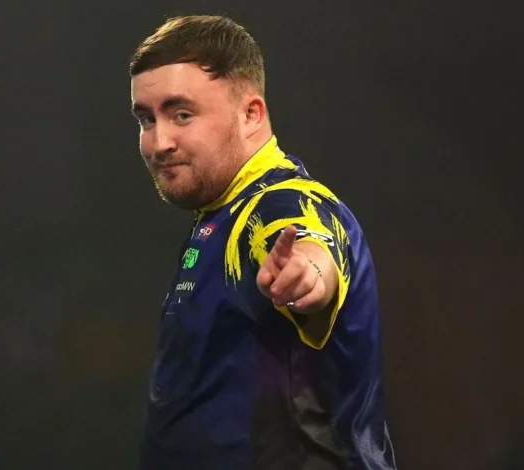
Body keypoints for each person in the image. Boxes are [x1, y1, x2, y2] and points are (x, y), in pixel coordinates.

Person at [129, 15, 398, 470]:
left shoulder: (280, 203)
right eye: (146, 119)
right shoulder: (220, 217)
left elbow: (312, 245)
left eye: (182, 115)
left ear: (251, 114)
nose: (159, 142)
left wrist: (307, 275)